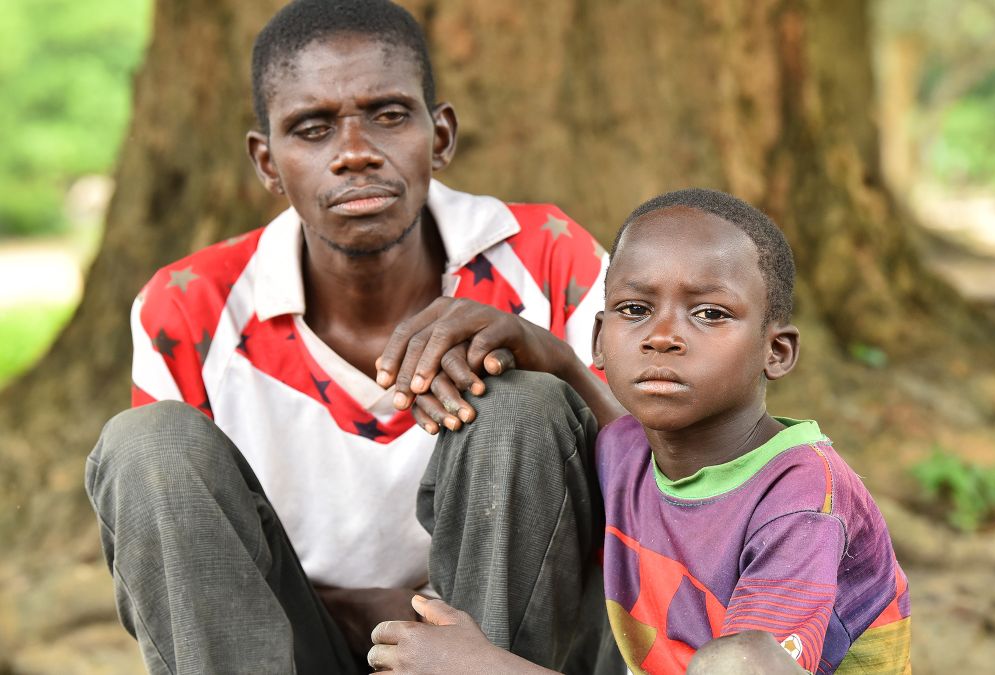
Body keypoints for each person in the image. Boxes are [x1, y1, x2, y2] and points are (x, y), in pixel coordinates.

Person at [83, 0, 623, 673]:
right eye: (312, 129)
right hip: (285, 644)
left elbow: (668, 494)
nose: (355, 155)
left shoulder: (548, 260)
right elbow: (184, 562)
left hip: (506, 649)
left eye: (390, 116)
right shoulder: (191, 309)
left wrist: (560, 360)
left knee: (523, 402)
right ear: (267, 162)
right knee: (146, 444)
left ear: (442, 135)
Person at [368, 189, 912, 674]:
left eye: (710, 313)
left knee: (736, 661)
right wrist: (554, 355)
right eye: (635, 309)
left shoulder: (799, 500)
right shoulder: (635, 453)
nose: (662, 336)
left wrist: (481, 668)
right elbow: (609, 424)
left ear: (777, 350)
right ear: (601, 339)